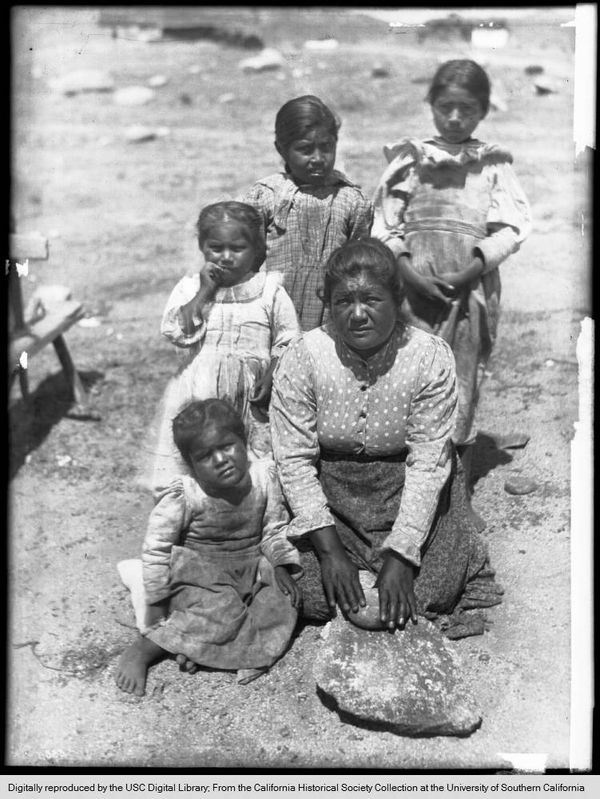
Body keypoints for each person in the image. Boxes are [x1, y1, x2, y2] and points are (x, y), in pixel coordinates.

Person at [270, 239, 503, 637]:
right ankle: (341, 558)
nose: (357, 314)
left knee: (429, 589)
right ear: (327, 302)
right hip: (332, 491)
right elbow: (293, 459)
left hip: (407, 486)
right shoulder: (303, 356)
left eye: (372, 299)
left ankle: (401, 559)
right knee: (309, 591)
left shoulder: (429, 356)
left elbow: (429, 462)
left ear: (397, 298)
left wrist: (402, 553)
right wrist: (329, 552)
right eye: (344, 301)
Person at [371, 59, 531, 529]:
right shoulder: (410, 159)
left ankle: (456, 494)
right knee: (408, 379)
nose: (456, 119)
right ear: (432, 106)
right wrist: (407, 270)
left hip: (468, 293)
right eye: (446, 108)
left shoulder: (493, 163)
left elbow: (513, 227)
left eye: (467, 109)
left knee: (461, 381)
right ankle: (404, 486)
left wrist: (471, 270)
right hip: (412, 291)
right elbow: (384, 222)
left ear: (482, 110)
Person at [116, 399, 302, 697]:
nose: (220, 460)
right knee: (223, 611)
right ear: (191, 464)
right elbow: (157, 549)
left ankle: (201, 650)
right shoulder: (186, 494)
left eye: (227, 446)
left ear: (244, 442)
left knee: (283, 601)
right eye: (205, 456)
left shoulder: (264, 479)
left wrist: (280, 563)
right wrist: (156, 601)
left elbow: (273, 529)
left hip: (250, 567)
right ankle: (145, 650)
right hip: (200, 578)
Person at [148, 201, 301, 496]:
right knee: (198, 453)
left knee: (250, 456)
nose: (226, 257)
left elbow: (289, 339)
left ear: (256, 249)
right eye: (216, 248)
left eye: (237, 248)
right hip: (199, 391)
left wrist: (271, 375)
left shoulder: (269, 290)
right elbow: (177, 332)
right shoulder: (190, 287)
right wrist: (205, 292)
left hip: (250, 394)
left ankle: (252, 514)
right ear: (202, 247)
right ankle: (187, 513)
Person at [238, 94, 373, 331]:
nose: (318, 158)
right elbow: (248, 265)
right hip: (275, 316)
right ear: (281, 149)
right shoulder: (267, 197)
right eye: (305, 149)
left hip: (331, 319)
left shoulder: (351, 200)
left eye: (327, 147)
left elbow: (358, 268)